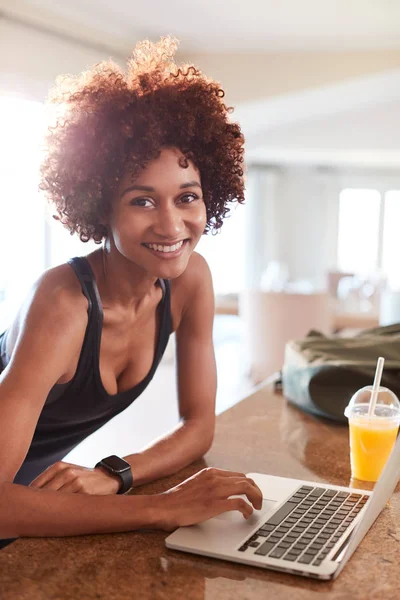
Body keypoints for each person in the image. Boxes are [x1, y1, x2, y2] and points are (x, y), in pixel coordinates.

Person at [0, 37, 262, 543]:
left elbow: (198, 427)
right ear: (100, 207)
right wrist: (162, 508)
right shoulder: (63, 304)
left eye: (187, 197)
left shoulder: (191, 280)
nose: (172, 226)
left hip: (34, 506)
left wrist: (114, 474)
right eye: (143, 201)